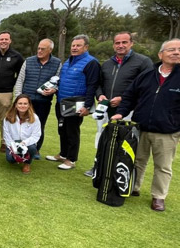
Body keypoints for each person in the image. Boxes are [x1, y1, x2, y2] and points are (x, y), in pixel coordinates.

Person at [111, 38, 180, 212]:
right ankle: (133, 187)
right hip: (140, 126)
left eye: (179, 50)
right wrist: (122, 111)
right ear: (161, 54)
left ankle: (159, 197)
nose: (176, 53)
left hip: (167, 131)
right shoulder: (147, 74)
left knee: (163, 166)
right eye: (171, 50)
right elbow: (130, 95)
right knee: (137, 160)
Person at [85, 32, 153, 176]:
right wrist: (100, 95)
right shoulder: (108, 63)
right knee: (102, 136)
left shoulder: (143, 62)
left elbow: (147, 87)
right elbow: (99, 84)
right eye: (117, 43)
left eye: (124, 42)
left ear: (131, 43)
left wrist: (123, 99)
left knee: (124, 141)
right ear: (113, 45)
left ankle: (119, 171)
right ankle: (99, 167)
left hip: (128, 110)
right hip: (105, 108)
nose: (120, 45)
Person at [46, 34, 100, 170]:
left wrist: (87, 106)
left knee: (72, 131)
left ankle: (71, 159)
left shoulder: (91, 63)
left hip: (76, 103)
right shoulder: (68, 61)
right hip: (62, 101)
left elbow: (92, 85)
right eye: (73, 45)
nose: (74, 48)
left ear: (86, 47)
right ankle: (63, 154)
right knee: (62, 129)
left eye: (78, 45)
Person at [13, 38, 61, 160]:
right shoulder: (28, 61)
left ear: (50, 50)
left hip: (43, 102)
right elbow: (20, 80)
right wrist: (18, 98)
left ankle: (36, 149)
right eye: (38, 48)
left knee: (39, 126)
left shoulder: (57, 63)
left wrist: (54, 90)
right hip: (26, 101)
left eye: (43, 49)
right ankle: (18, 148)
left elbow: (59, 82)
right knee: (22, 124)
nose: (39, 51)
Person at [0, 31, 24, 152]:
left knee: (5, 118)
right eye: (2, 39)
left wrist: (13, 84)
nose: (4, 41)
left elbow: (21, 74)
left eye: (6, 39)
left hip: (6, 93)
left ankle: (5, 141)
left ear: (10, 41)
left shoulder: (16, 56)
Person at [3, 95, 41, 174]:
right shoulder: (8, 117)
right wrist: (12, 146)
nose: (22, 106)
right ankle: (18, 158)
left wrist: (24, 143)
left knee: (32, 148)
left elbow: (36, 135)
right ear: (15, 105)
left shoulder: (35, 118)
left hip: (27, 144)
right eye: (20, 103)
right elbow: (6, 134)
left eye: (25, 103)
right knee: (10, 159)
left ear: (29, 105)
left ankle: (27, 163)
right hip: (13, 144)